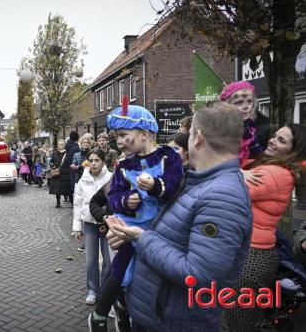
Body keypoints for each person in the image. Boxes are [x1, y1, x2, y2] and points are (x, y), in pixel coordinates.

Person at [106, 101, 253, 332]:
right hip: (159, 315)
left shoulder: (223, 198)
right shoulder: (199, 179)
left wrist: (139, 238)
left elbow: (199, 276)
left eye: (189, 132)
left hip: (173, 321)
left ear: (198, 138)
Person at [89, 97, 183, 332]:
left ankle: (123, 306)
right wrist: (125, 201)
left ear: (143, 132)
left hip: (163, 227)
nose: (119, 142)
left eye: (123, 135)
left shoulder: (168, 156)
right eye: (117, 137)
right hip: (134, 226)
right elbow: (113, 196)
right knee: (121, 269)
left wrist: (155, 185)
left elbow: (175, 184)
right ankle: (100, 313)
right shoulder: (122, 166)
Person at [225, 123, 306, 331]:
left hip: (252, 257)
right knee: (241, 318)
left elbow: (229, 189)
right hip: (248, 251)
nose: (271, 140)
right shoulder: (269, 165)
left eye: (281, 140)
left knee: (242, 322)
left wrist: (232, 171)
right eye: (274, 135)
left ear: (293, 151)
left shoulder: (277, 173)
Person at [72, 148, 113, 305]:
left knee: (108, 261)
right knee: (91, 260)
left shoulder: (111, 178)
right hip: (89, 223)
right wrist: (77, 227)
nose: (93, 164)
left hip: (107, 223)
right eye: (91, 160)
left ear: (103, 161)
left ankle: (106, 291)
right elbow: (78, 203)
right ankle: (92, 290)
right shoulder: (83, 180)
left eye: (97, 160)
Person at [219, 81, 266, 162]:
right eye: (239, 102)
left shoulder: (249, 125)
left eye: (249, 101)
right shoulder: (220, 127)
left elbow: (255, 149)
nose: (246, 107)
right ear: (226, 106)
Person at [49, 139, 72, 208]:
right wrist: (52, 165)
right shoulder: (55, 153)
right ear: (58, 145)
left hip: (66, 173)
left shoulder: (68, 153)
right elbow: (51, 161)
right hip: (57, 173)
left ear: (65, 145)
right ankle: (58, 202)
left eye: (63, 144)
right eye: (60, 144)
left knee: (67, 188)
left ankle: (70, 200)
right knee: (57, 189)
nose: (61, 145)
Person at [65, 131, 81, 203]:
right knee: (74, 183)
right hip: (75, 167)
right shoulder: (75, 147)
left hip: (69, 167)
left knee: (71, 183)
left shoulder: (68, 146)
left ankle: (71, 199)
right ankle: (73, 200)